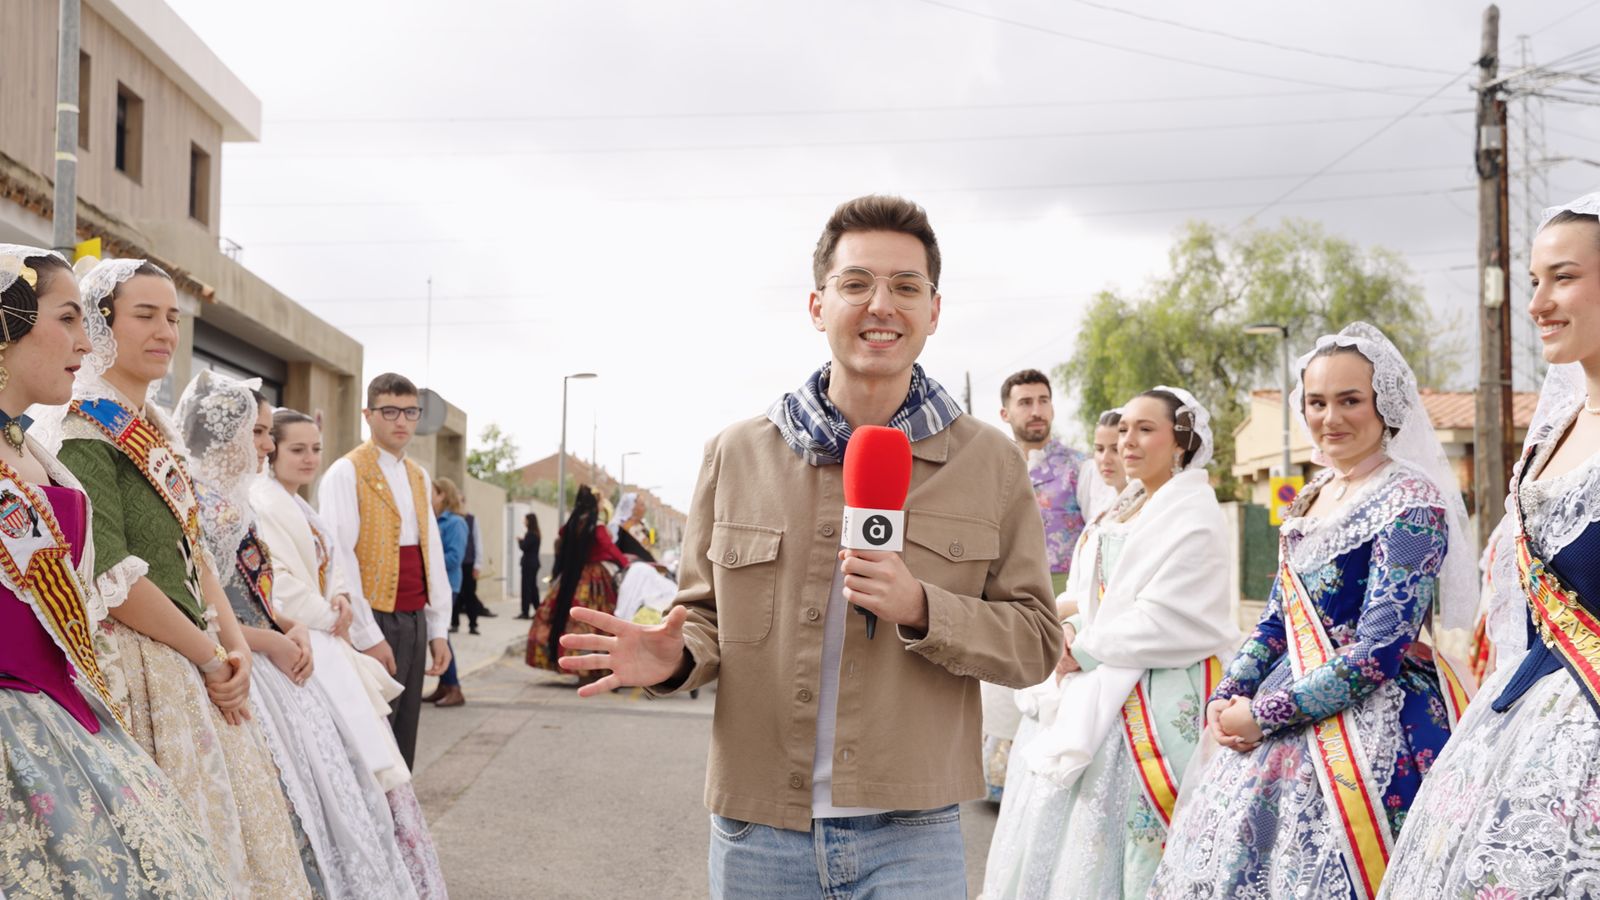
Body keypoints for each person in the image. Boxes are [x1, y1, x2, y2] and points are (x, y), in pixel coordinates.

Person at [557, 195, 1062, 898]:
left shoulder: (991, 463)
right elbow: (703, 618)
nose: (880, 304)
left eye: (905, 287)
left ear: (934, 312)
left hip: (913, 833)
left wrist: (922, 607)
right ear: (818, 305)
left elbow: (1037, 642)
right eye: (856, 283)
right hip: (759, 829)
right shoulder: (737, 454)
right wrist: (675, 657)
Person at [1150, 323, 1474, 900]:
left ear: (1385, 404)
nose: (1331, 418)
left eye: (1350, 400)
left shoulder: (1411, 501)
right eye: (1317, 402)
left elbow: (1377, 653)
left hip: (1381, 721)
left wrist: (1263, 715)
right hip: (1282, 705)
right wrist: (1230, 692)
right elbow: (1277, 619)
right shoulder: (1310, 496)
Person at [46, 257, 311, 896]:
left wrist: (237, 648)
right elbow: (111, 575)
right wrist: (210, 655)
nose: (166, 331)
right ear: (102, 323)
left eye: (172, 316)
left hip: (201, 664)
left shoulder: (153, 427)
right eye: (145, 315)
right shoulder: (82, 430)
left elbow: (192, 552)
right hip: (143, 670)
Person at [1380, 193, 1600, 897]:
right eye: (1533, 281)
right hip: (1518, 731)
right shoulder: (1548, 435)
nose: (1537, 304)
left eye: (1562, 278)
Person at [0, 245, 228, 898]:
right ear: (7, 321)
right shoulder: (66, 439)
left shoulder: (28, 445)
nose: (83, 339)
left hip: (67, 713)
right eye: (67, 319)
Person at [983, 386, 1239, 900]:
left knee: (1130, 841)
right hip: (1096, 677)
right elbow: (1089, 591)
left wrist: (1081, 648)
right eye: (1124, 429)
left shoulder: (1193, 513)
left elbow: (1171, 616)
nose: (1128, 441)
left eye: (1146, 430)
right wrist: (1062, 626)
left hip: (1155, 691)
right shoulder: (1123, 507)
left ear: (1181, 442)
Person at [179, 370, 420, 899]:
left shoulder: (236, 502)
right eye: (259, 433)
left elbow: (265, 588)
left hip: (277, 651)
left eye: (268, 434)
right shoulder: (196, 503)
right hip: (241, 659)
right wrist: (276, 636)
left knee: (336, 790)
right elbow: (200, 605)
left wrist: (290, 626)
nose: (266, 446)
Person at [252, 407, 449, 897]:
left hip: (328, 634)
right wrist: (327, 612)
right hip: (305, 638)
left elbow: (336, 556)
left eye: (316, 448)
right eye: (298, 449)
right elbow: (273, 579)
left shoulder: (301, 505)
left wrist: (340, 597)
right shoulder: (262, 500)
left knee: (370, 754)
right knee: (338, 762)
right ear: (271, 449)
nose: (310, 458)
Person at [318, 372, 453, 769]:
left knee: (404, 732)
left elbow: (431, 552)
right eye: (390, 411)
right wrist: (367, 634)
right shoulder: (347, 472)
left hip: (414, 619)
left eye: (410, 412)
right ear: (368, 414)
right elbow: (339, 558)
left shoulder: (418, 475)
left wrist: (439, 628)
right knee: (369, 738)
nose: (401, 421)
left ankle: (400, 828)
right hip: (374, 617)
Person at [1000, 368, 1087, 596]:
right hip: (1007, 592)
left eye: (1043, 401)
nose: (1036, 411)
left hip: (1067, 591)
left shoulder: (1081, 466)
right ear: (1005, 413)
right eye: (1025, 403)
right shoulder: (994, 469)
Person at [526, 484, 628, 677]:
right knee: (599, 616)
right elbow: (609, 549)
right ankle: (592, 665)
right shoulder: (596, 526)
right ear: (595, 503)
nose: (602, 505)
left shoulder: (573, 524)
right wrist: (625, 563)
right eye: (600, 501)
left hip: (571, 576)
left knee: (563, 613)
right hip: (594, 576)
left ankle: (567, 660)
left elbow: (562, 536)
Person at [430, 477, 468, 707]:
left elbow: (455, 558)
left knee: (441, 635)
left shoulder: (455, 523)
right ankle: (444, 685)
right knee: (436, 635)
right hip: (433, 585)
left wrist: (426, 560)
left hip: (447, 586)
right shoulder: (433, 521)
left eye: (431, 492)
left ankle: (454, 687)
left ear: (443, 494)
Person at [450, 501, 493, 636]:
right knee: (455, 595)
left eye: (460, 501)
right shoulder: (450, 519)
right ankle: (454, 623)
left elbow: (477, 541)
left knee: (470, 595)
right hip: (456, 564)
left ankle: (473, 625)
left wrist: (478, 564)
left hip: (469, 563)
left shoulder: (471, 519)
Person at [1081, 408, 1128, 526]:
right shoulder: (1101, 509)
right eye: (1100, 449)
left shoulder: (1148, 506)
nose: (1105, 460)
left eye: (1115, 449)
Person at [516, 512, 541, 620]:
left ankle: (525, 612)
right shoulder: (536, 534)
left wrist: (520, 541)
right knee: (532, 588)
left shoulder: (531, 534)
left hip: (528, 564)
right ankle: (537, 610)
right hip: (533, 564)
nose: (524, 522)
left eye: (525, 520)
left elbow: (524, 547)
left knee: (526, 588)